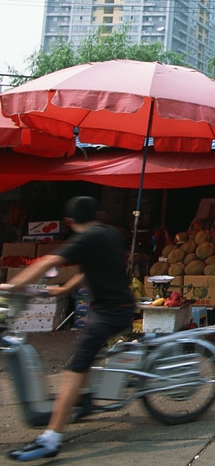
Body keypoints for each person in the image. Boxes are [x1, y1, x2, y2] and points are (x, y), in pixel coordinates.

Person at [4, 196, 134, 462]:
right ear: (97, 213)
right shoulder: (106, 233)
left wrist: (10, 286)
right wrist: (64, 289)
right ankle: (83, 400)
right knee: (85, 356)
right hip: (114, 307)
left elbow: (44, 263)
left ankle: (51, 438)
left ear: (69, 221)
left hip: (110, 312)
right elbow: (90, 270)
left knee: (73, 368)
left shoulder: (86, 238)